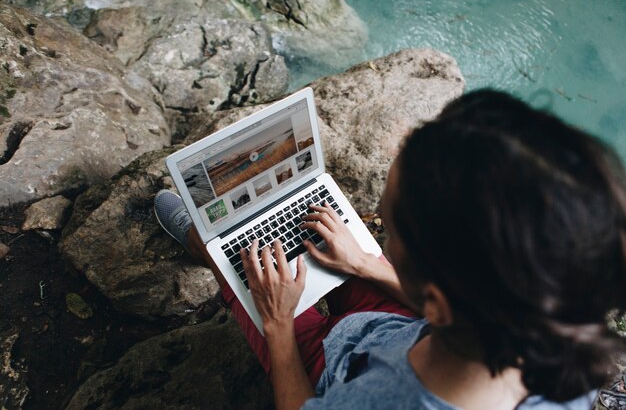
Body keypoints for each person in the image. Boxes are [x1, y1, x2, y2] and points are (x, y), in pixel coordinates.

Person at [154, 90, 626, 410]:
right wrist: (364, 263)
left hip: (328, 367)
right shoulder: (551, 335)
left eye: (390, 232)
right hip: (397, 327)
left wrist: (278, 324)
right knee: (324, 253)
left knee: (245, 267)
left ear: (438, 301)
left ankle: (207, 247)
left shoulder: (382, 401)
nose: (377, 236)